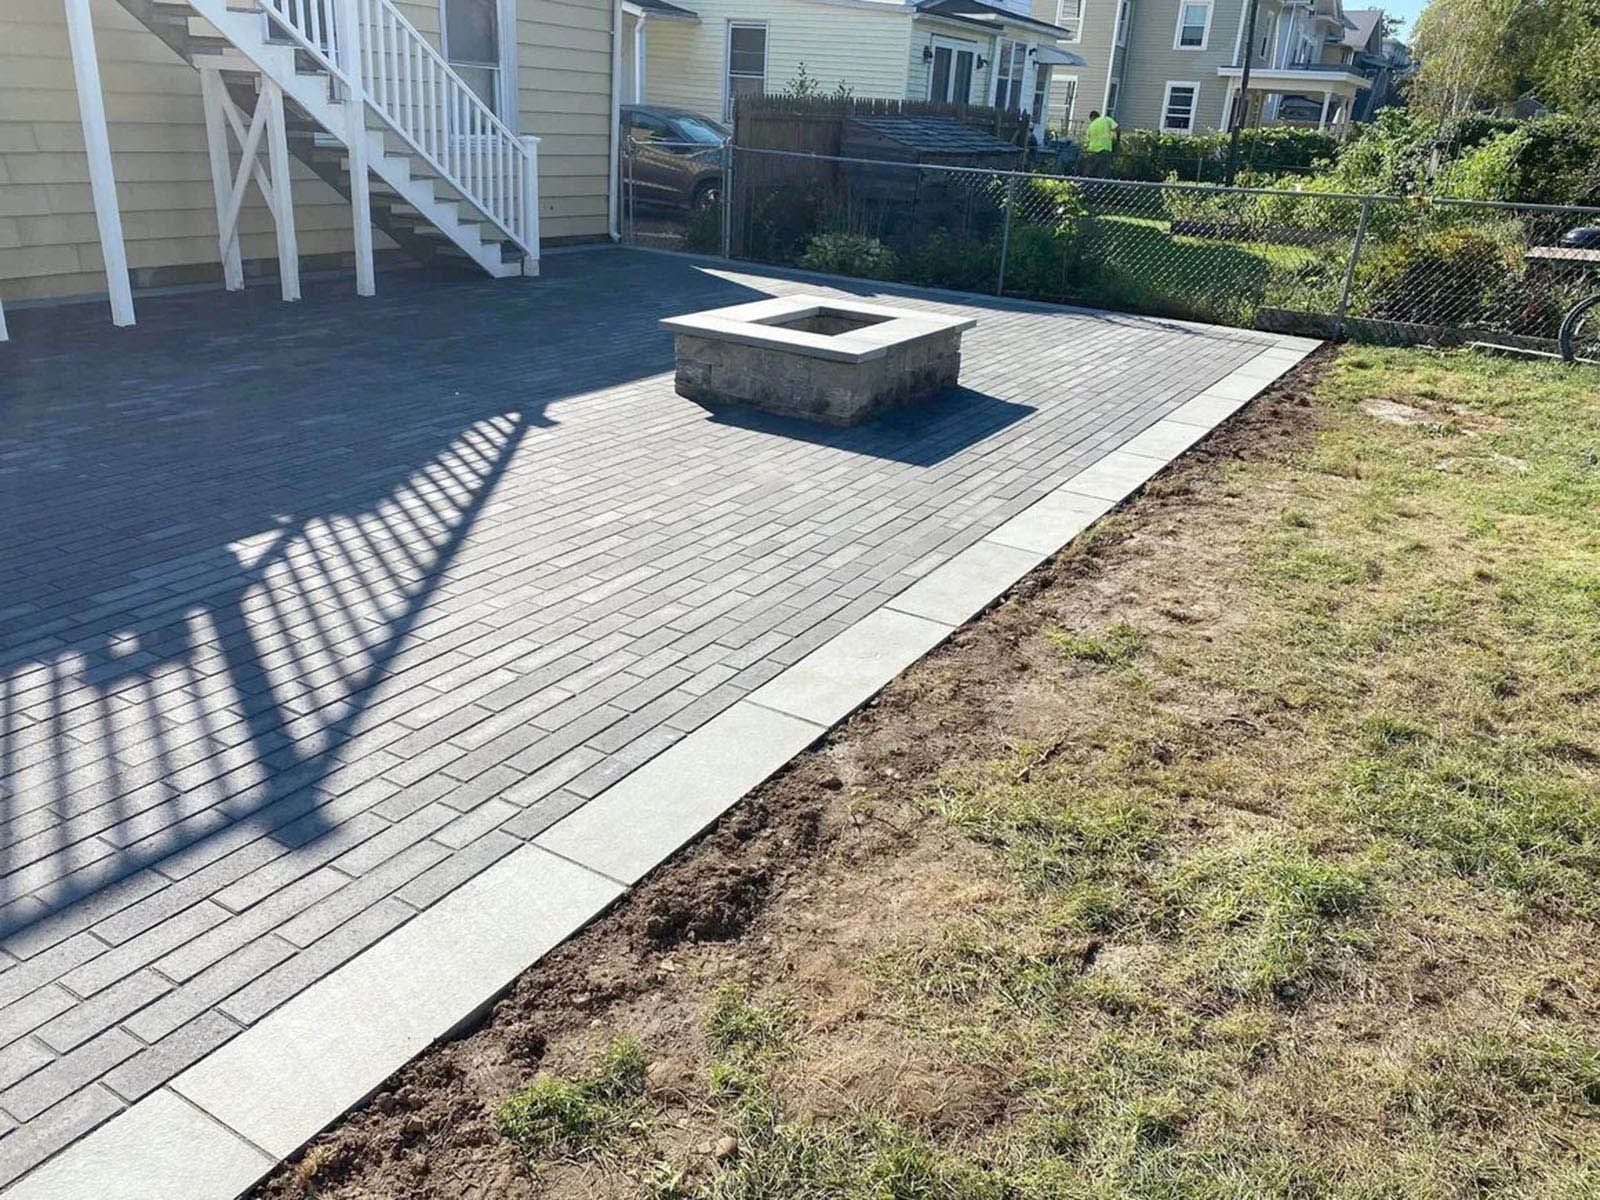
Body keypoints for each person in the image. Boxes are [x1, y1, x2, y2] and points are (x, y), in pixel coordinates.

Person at [1082, 109, 1120, 176]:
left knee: (1091, 171)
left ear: (1092, 118)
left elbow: (1087, 139)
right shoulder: (1106, 119)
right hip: (1104, 150)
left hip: (1092, 151)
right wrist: (1117, 140)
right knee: (1103, 172)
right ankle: (1102, 185)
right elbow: (1118, 129)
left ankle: (1088, 184)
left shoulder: (1091, 125)